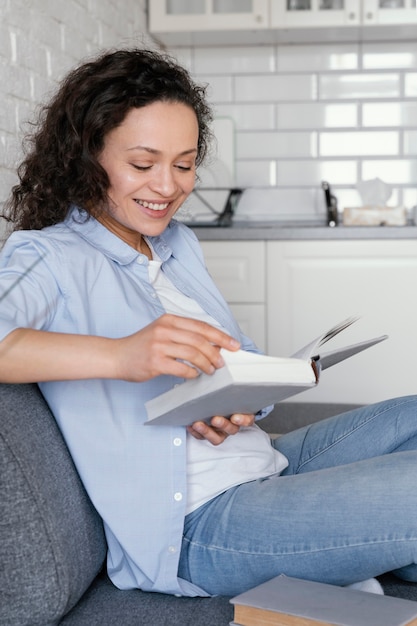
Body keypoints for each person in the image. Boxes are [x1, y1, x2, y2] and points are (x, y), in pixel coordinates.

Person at [0, 47, 417, 599]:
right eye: (143, 164)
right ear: (86, 156)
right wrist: (122, 355)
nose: (169, 187)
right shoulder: (47, 256)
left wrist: (239, 398)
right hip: (201, 525)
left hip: (270, 463)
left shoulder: (178, 245)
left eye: (184, 163)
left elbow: (235, 353)